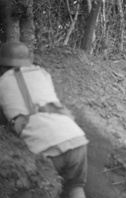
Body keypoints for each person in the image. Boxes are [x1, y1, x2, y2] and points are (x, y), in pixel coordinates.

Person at [0, 41, 88, 198]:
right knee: (75, 186)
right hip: (76, 139)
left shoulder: (2, 83)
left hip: (46, 149)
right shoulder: (42, 74)